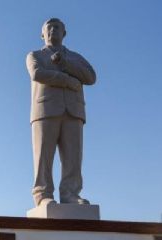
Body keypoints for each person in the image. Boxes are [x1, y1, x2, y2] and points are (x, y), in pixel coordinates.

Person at [26, 18, 96, 207]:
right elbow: (37, 74)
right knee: (43, 157)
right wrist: (67, 80)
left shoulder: (75, 57)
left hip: (73, 111)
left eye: (57, 27)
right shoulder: (34, 55)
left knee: (73, 157)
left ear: (64, 33)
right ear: (42, 34)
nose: (53, 30)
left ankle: (71, 194)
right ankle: (42, 195)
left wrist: (65, 63)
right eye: (49, 27)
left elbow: (90, 77)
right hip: (45, 110)